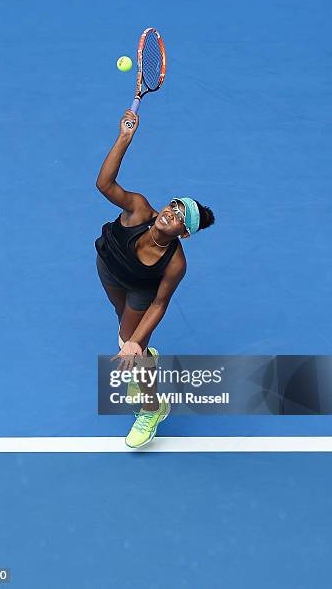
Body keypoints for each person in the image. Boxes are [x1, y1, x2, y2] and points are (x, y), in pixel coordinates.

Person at [95, 109, 215, 448]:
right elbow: (104, 184)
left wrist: (136, 341)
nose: (170, 212)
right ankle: (143, 351)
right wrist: (124, 138)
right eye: (174, 205)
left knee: (129, 344)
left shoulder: (175, 263)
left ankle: (152, 406)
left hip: (140, 289)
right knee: (126, 328)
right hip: (108, 267)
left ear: (185, 233)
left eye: (180, 216)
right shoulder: (138, 209)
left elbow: (160, 303)